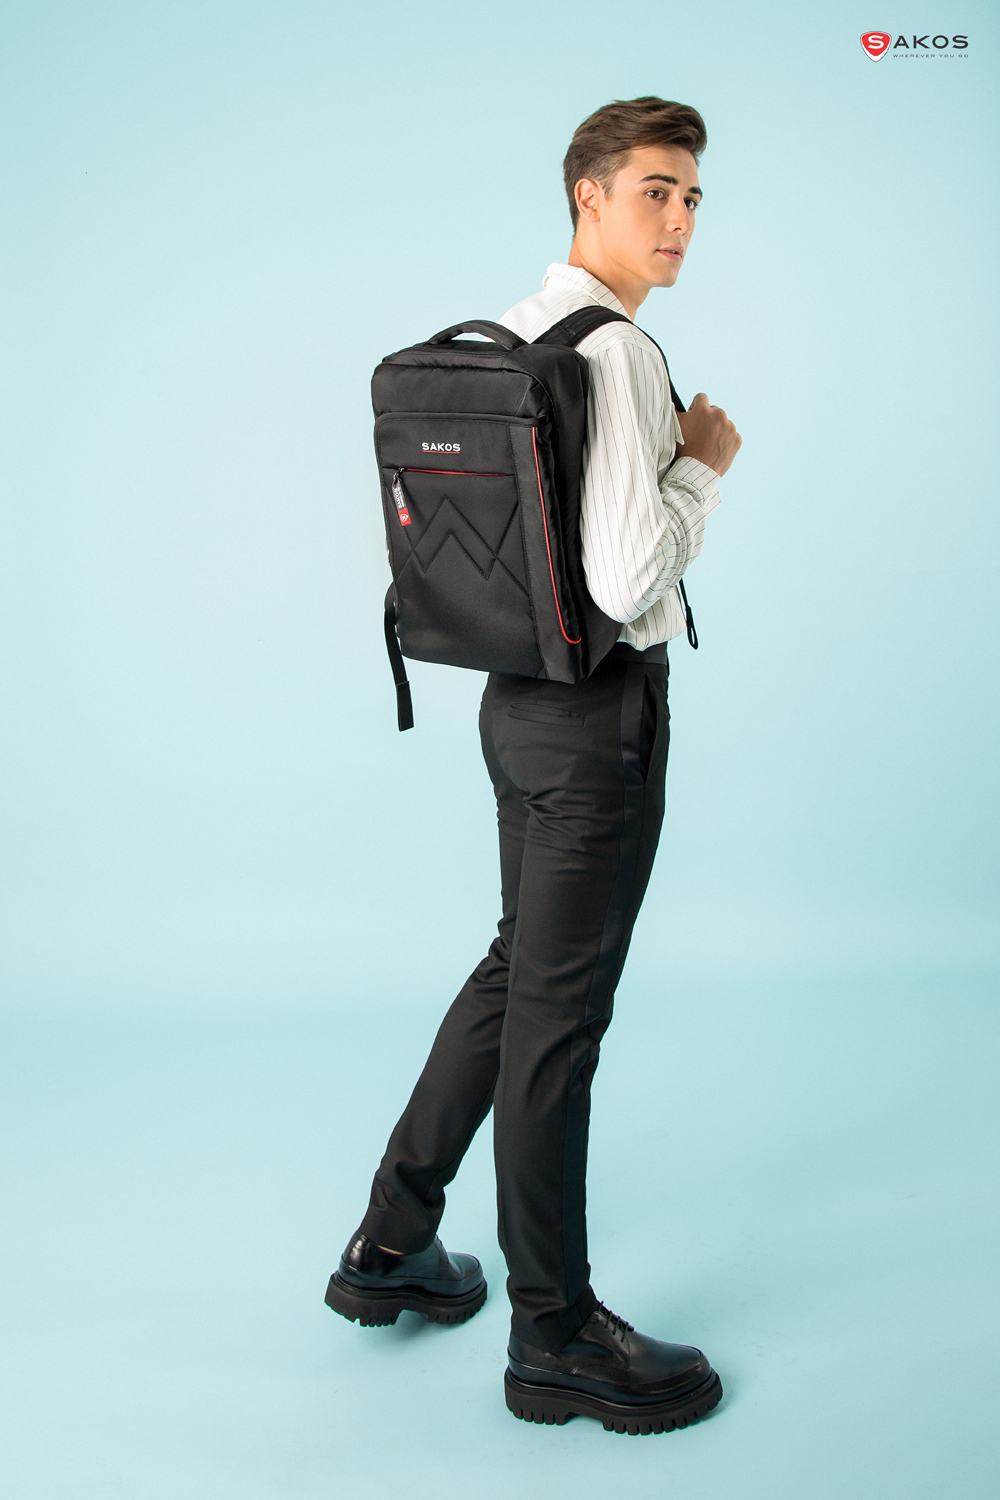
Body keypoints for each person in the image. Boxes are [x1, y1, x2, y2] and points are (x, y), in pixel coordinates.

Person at [326, 96, 742, 1436]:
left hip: (512, 706)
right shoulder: (614, 352)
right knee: (559, 1022)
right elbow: (623, 578)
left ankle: (392, 1243)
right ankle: (554, 1334)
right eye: (654, 191)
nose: (679, 221)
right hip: (597, 720)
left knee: (520, 972)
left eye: (693, 198)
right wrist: (703, 469)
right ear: (587, 195)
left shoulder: (509, 334)